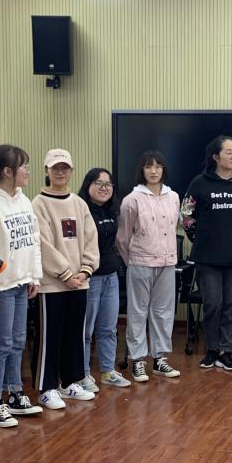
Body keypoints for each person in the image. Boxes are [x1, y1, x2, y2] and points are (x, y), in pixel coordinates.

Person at [0, 145, 43, 428]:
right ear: (7, 171)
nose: (28, 172)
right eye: (24, 166)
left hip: (21, 282)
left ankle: (15, 392)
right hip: (1, 286)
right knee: (0, 344)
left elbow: (33, 240)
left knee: (17, 341)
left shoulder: (23, 200)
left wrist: (34, 275)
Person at [32, 149, 98, 409]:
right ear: (46, 171)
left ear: (71, 171)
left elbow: (90, 239)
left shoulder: (79, 203)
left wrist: (85, 270)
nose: (60, 172)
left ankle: (70, 381)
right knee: (50, 338)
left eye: (65, 168)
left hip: (80, 282)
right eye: (55, 168)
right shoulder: (38, 204)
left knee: (74, 335)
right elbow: (43, 244)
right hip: (53, 285)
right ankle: (46, 388)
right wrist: (65, 273)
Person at [181, 135, 232, 372]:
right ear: (215, 156)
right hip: (207, 256)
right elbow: (187, 214)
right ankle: (212, 350)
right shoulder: (199, 182)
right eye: (228, 152)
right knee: (212, 304)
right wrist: (200, 238)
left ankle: (226, 351)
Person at [117, 151, 182, 384]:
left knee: (164, 312)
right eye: (148, 167)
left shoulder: (173, 197)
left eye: (158, 166)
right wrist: (133, 260)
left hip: (167, 263)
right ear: (141, 170)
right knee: (138, 312)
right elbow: (123, 238)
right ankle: (137, 360)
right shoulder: (132, 200)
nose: (153, 171)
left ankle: (160, 358)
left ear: (164, 169)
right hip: (140, 263)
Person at [78, 167, 132, 390]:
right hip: (90, 277)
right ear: (88, 185)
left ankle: (108, 371)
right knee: (85, 330)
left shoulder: (113, 209)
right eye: (98, 183)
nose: (104, 188)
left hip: (111, 275)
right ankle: (82, 374)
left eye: (108, 184)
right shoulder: (81, 210)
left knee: (109, 328)